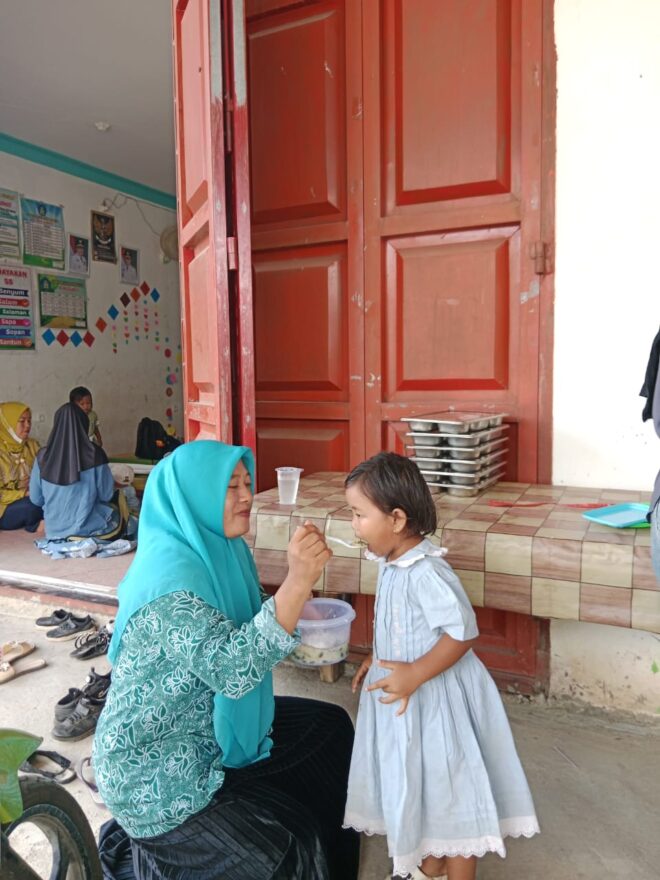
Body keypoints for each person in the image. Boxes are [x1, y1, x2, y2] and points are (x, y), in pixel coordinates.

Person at [92, 441, 360, 880]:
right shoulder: (169, 586)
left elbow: (250, 619)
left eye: (248, 483)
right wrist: (296, 585)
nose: (246, 496)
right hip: (153, 770)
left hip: (202, 726)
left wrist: (303, 610)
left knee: (328, 731)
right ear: (193, 495)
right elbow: (233, 671)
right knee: (285, 852)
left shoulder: (218, 550)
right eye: (229, 487)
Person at [342, 453, 539, 880]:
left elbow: (462, 632)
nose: (353, 525)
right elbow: (399, 622)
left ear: (396, 519)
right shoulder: (393, 563)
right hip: (408, 701)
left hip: (438, 701)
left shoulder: (427, 572)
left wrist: (414, 673)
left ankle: (458, 871)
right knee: (420, 781)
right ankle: (429, 864)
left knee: (451, 788)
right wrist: (376, 657)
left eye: (358, 515)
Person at [29, 402, 115, 540]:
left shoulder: (42, 456)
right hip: (87, 530)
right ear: (84, 425)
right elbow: (107, 495)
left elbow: (36, 499)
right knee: (126, 507)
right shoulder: (95, 454)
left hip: (53, 531)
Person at [0, 401, 43, 532]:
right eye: (22, 421)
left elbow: (47, 472)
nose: (27, 425)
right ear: (7, 424)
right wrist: (24, 493)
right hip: (5, 507)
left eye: (29, 420)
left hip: (34, 496)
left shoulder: (32, 445)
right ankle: (36, 525)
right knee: (31, 506)